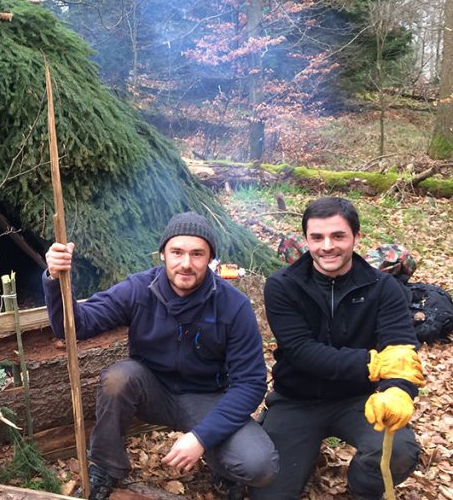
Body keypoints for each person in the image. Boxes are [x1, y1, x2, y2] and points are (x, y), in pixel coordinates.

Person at [43, 212, 278, 500]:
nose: (186, 264)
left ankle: (222, 466)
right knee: (118, 379)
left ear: (211, 259)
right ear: (163, 254)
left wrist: (202, 438)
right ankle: (107, 466)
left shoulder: (234, 306)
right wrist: (55, 280)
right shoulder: (140, 289)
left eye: (197, 254)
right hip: (151, 391)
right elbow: (76, 325)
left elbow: (251, 383)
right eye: (176, 252)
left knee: (260, 466)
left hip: (208, 398)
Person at [251, 197, 425, 500]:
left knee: (399, 451)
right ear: (306, 239)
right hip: (296, 400)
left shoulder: (383, 287)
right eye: (317, 237)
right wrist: (371, 363)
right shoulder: (282, 285)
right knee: (268, 491)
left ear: (356, 237)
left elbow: (399, 346)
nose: (327, 246)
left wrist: (398, 389)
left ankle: (362, 489)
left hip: (358, 398)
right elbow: (301, 350)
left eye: (338, 236)